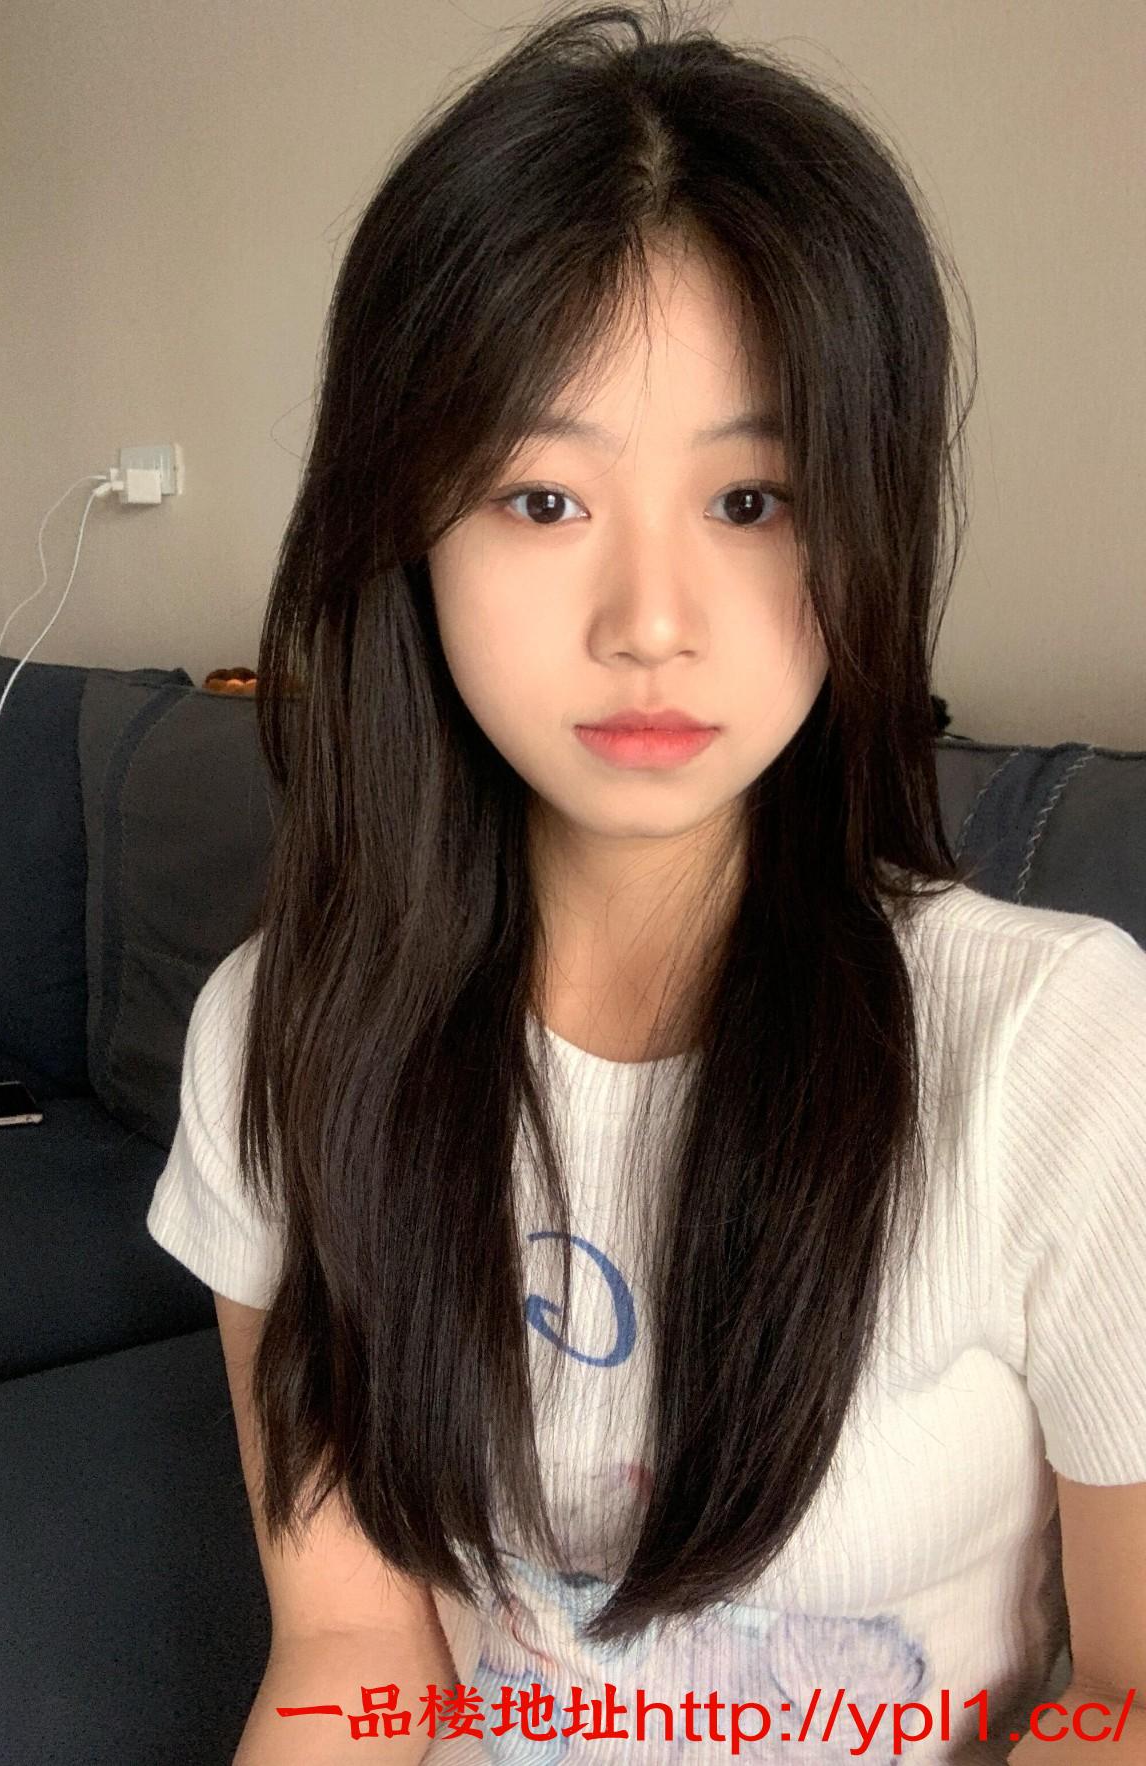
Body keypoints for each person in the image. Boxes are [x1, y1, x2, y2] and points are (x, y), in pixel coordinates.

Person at [146, 4, 1146, 1761]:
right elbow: (354, 1655)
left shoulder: (1056, 1045)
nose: (652, 621)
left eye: (752, 499)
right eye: (543, 499)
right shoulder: (281, 1042)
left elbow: (1125, 1692)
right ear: (405, 530)